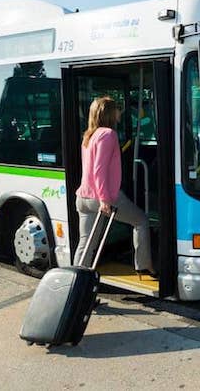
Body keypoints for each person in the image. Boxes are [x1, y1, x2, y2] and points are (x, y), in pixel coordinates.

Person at [74, 97, 154, 276]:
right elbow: (99, 170)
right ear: (109, 113)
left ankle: (75, 282)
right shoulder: (108, 134)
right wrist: (104, 200)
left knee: (86, 244)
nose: (120, 112)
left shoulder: (88, 135)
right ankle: (144, 264)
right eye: (117, 109)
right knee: (141, 221)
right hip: (103, 197)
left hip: (83, 197)